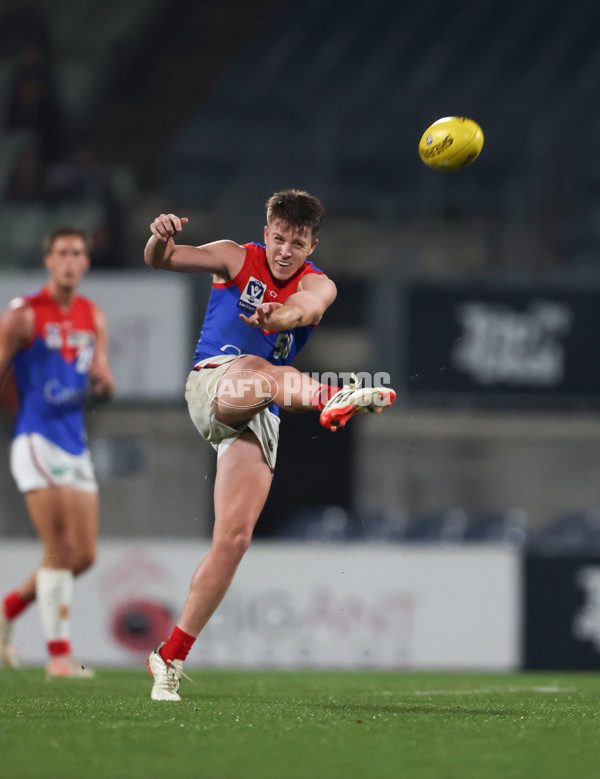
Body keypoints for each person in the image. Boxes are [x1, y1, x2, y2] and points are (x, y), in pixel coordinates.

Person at [143, 189, 395, 701]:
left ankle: (168, 657)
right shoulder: (235, 257)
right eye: (278, 238)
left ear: (311, 245)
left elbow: (304, 309)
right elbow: (163, 260)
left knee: (233, 541)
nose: (284, 250)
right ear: (266, 233)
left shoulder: (320, 284)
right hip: (214, 384)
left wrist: (278, 318)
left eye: (296, 243)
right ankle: (331, 396)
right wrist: (158, 236)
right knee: (263, 368)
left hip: (262, 408)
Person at [0, 227, 114, 677]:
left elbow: (103, 376)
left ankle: (8, 610)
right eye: (62, 253)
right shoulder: (24, 315)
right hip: (36, 438)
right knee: (59, 548)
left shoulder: (93, 316)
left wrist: (104, 386)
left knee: (83, 555)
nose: (70, 261)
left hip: (75, 440)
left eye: (78, 254)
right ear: (48, 260)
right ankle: (59, 654)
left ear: (86, 263)